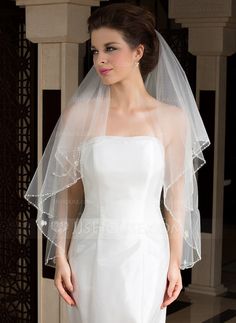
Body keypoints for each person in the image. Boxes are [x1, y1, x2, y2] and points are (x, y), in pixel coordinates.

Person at [24, 3, 210, 323]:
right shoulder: (79, 116)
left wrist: (174, 261)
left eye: (111, 48)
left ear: (138, 52)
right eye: (95, 50)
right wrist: (61, 258)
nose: (100, 60)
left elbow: (177, 199)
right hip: (90, 253)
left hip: (147, 253)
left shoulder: (172, 119)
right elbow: (70, 194)